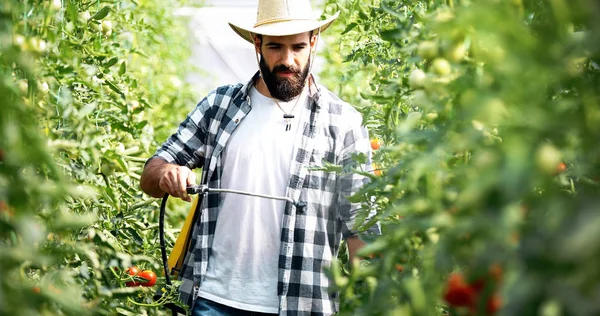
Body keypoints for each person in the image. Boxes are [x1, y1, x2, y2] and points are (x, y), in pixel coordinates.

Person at [140, 0, 381, 314]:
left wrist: (375, 296)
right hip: (213, 300)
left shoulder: (343, 122)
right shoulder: (220, 106)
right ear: (257, 44)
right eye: (275, 48)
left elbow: (360, 226)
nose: (287, 60)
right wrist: (167, 173)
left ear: (313, 42)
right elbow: (150, 175)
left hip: (302, 303)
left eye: (297, 47)